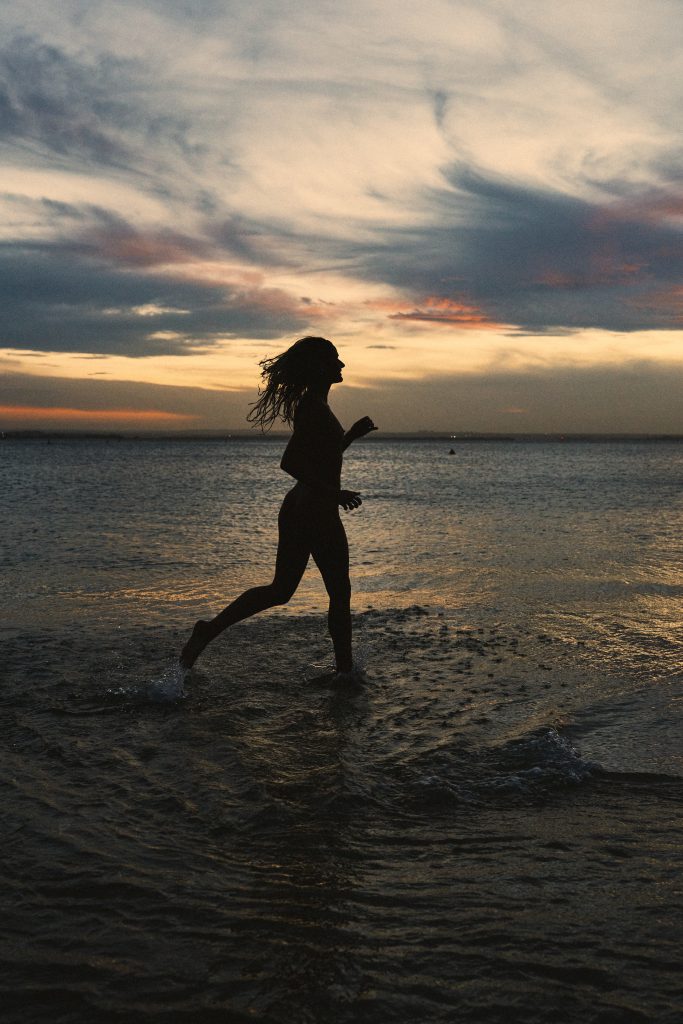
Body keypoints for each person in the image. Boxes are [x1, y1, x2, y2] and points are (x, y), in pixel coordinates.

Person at [180, 336, 377, 673]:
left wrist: (348, 439)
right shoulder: (314, 406)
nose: (341, 365)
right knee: (339, 593)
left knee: (281, 590)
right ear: (319, 367)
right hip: (315, 509)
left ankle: (209, 630)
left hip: (301, 506)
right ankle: (345, 674)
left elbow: (320, 459)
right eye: (334, 359)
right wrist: (334, 494)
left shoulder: (315, 404)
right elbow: (291, 463)